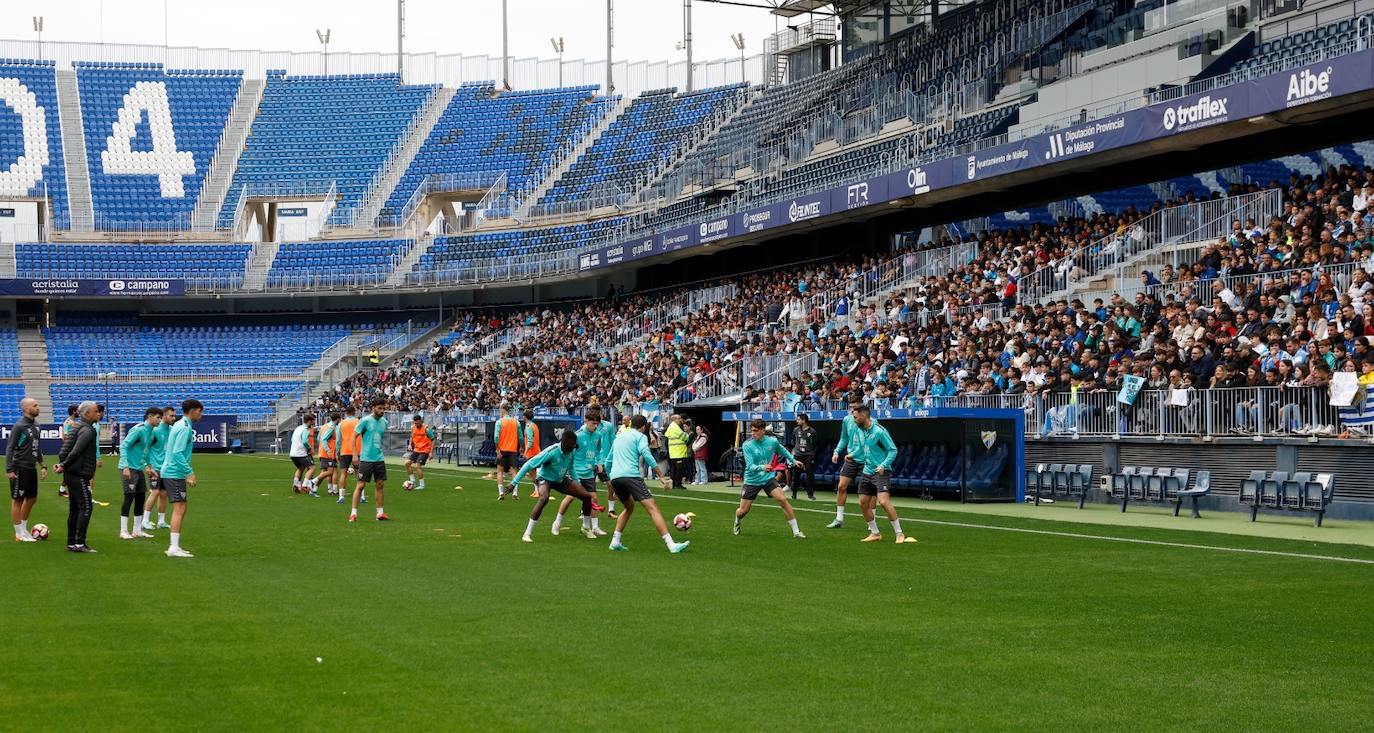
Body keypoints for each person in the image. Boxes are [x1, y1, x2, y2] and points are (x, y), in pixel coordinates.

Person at [607, 415, 689, 554]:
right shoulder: (640, 437)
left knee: (629, 508)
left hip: (616, 478)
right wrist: (661, 476)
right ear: (644, 427)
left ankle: (615, 541)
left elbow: (608, 461)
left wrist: (612, 483)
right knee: (653, 509)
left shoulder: (619, 437)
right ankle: (671, 545)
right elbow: (647, 454)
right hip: (631, 476)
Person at [507, 431, 600, 542]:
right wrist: (514, 482)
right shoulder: (551, 451)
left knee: (586, 496)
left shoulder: (571, 451)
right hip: (545, 479)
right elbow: (528, 464)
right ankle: (527, 533)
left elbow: (571, 469)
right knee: (543, 498)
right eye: (572, 445)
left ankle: (585, 527)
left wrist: (578, 484)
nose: (574, 448)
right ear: (565, 443)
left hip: (560, 479)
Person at [853, 405, 915, 545]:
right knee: (863, 503)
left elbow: (893, 450)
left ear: (863, 416)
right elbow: (862, 447)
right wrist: (852, 454)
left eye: (855, 417)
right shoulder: (860, 430)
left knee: (883, 502)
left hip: (881, 471)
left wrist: (883, 465)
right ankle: (875, 533)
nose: (854, 419)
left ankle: (899, 533)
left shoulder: (880, 432)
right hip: (867, 471)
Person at [734, 419, 806, 539]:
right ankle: (737, 520)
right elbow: (750, 466)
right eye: (751, 431)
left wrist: (793, 460)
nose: (753, 433)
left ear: (763, 431)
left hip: (768, 478)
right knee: (743, 511)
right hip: (752, 480)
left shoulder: (772, 442)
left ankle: (796, 531)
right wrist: (762, 467)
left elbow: (782, 450)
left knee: (782, 499)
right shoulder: (747, 445)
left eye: (755, 431)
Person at [553, 410, 609, 537]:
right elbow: (568, 451)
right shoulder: (578, 436)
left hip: (589, 472)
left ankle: (593, 527)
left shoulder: (598, 435)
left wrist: (599, 462)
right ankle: (557, 523)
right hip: (576, 472)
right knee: (570, 497)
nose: (595, 426)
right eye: (593, 423)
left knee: (593, 498)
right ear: (586, 421)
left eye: (597, 424)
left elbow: (599, 451)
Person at [55, 401, 100, 553]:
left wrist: (63, 464)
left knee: (75, 509)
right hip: (78, 474)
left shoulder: (78, 427)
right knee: (86, 506)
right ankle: (79, 543)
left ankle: (71, 543)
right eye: (95, 411)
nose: (98, 413)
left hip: (72, 473)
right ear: (87, 414)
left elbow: (64, 450)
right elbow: (76, 451)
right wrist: (64, 465)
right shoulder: (87, 430)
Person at [159, 398, 202, 558]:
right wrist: (189, 472)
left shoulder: (179, 424)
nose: (201, 414)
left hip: (171, 471)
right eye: (199, 411)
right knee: (180, 508)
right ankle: (173, 547)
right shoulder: (184, 428)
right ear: (192, 410)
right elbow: (177, 452)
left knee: (182, 507)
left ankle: (175, 546)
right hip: (174, 473)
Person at [117, 407, 161, 540]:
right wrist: (125, 466)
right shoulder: (139, 429)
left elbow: (145, 451)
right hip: (129, 468)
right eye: (158, 417)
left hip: (138, 469)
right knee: (129, 497)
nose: (160, 420)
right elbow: (124, 445)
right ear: (150, 416)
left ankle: (137, 530)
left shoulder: (151, 433)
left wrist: (149, 466)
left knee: (141, 497)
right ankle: (123, 531)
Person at [7, 397, 47, 542]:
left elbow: (37, 446)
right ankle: (19, 533)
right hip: (19, 467)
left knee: (32, 498)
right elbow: (10, 448)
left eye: (38, 405)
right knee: (17, 499)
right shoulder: (19, 426)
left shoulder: (37, 425)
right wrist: (9, 469)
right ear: (26, 409)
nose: (38, 407)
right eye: (35, 405)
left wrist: (42, 465)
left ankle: (24, 529)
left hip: (31, 468)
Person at [827, 398, 867, 529]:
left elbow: (867, 442)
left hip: (867, 459)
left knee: (868, 492)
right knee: (841, 486)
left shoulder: (869, 422)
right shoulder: (846, 420)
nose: (852, 410)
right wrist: (837, 451)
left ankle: (871, 521)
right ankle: (839, 519)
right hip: (851, 459)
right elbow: (844, 438)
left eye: (854, 408)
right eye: (850, 407)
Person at [349, 400, 390, 523]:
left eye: (383, 408)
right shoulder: (365, 421)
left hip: (379, 458)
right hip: (366, 458)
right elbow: (353, 436)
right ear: (373, 408)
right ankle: (353, 513)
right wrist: (355, 455)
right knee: (361, 485)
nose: (382, 411)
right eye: (379, 408)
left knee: (380, 485)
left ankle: (380, 513)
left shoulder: (384, 422)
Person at [141, 406, 175, 531]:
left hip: (166, 468)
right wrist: (147, 466)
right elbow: (145, 448)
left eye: (174, 416)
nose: (173, 418)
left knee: (164, 494)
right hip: (155, 467)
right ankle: (145, 520)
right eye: (171, 416)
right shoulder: (154, 431)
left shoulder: (171, 430)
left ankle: (161, 521)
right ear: (164, 416)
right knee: (154, 492)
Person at [336, 406, 362, 505]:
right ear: (354, 412)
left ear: (346, 413)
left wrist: (338, 452)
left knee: (343, 474)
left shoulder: (341, 423)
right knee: (358, 473)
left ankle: (341, 496)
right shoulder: (359, 422)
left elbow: (338, 440)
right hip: (357, 451)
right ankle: (362, 496)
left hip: (345, 450)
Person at [493, 405, 520, 499]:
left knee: (499, 471)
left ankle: (501, 493)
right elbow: (520, 436)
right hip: (513, 449)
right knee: (514, 472)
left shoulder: (499, 422)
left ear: (503, 410)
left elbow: (496, 437)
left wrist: (497, 449)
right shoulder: (516, 422)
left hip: (502, 449)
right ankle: (515, 493)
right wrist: (522, 447)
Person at [289, 414, 318, 496]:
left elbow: (292, 439)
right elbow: (305, 441)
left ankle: (295, 484)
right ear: (310, 421)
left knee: (300, 468)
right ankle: (305, 485)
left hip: (293, 453)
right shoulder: (305, 429)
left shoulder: (298, 428)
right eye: (313, 420)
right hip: (300, 453)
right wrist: (310, 449)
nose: (314, 422)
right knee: (312, 467)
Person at [790, 414, 817, 500]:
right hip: (798, 455)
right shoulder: (795, 430)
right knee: (796, 474)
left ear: (804, 420)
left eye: (798, 420)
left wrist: (812, 453)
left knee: (809, 475)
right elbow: (793, 442)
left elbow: (815, 445)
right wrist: (796, 450)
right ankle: (794, 493)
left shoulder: (812, 431)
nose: (797, 421)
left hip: (809, 455)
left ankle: (810, 494)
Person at [404, 414, 434, 491]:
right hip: (417, 449)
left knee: (417, 466)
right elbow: (412, 436)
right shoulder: (413, 428)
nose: (416, 424)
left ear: (421, 421)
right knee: (407, 463)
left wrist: (431, 452)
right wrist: (410, 444)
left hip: (425, 450)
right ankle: (413, 481)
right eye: (415, 423)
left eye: (417, 423)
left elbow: (433, 440)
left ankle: (422, 485)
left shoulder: (426, 429)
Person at [57, 404, 79, 498]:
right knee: (69, 471)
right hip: (69, 451)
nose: (79, 412)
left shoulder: (72, 422)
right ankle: (63, 490)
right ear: (74, 411)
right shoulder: (69, 422)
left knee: (71, 471)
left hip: (71, 450)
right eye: (77, 410)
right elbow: (65, 437)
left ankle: (63, 490)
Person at [317, 412, 341, 497]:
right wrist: (328, 450)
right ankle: (334, 490)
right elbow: (326, 439)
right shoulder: (333, 427)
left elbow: (318, 438)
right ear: (337, 419)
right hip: (329, 452)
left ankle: (329, 490)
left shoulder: (324, 426)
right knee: (333, 471)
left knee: (326, 471)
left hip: (322, 451)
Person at [665, 414, 690, 490]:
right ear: (675, 419)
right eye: (679, 418)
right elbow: (684, 437)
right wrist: (687, 434)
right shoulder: (675, 428)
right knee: (679, 469)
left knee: (674, 469)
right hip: (678, 451)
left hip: (674, 452)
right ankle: (678, 484)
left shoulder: (671, 427)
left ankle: (674, 484)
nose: (680, 420)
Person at [521, 410, 541, 498]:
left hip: (532, 452)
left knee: (532, 473)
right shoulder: (534, 425)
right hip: (536, 451)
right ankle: (536, 490)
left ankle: (538, 491)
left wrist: (526, 452)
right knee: (533, 473)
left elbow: (530, 441)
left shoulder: (528, 426)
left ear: (525, 417)